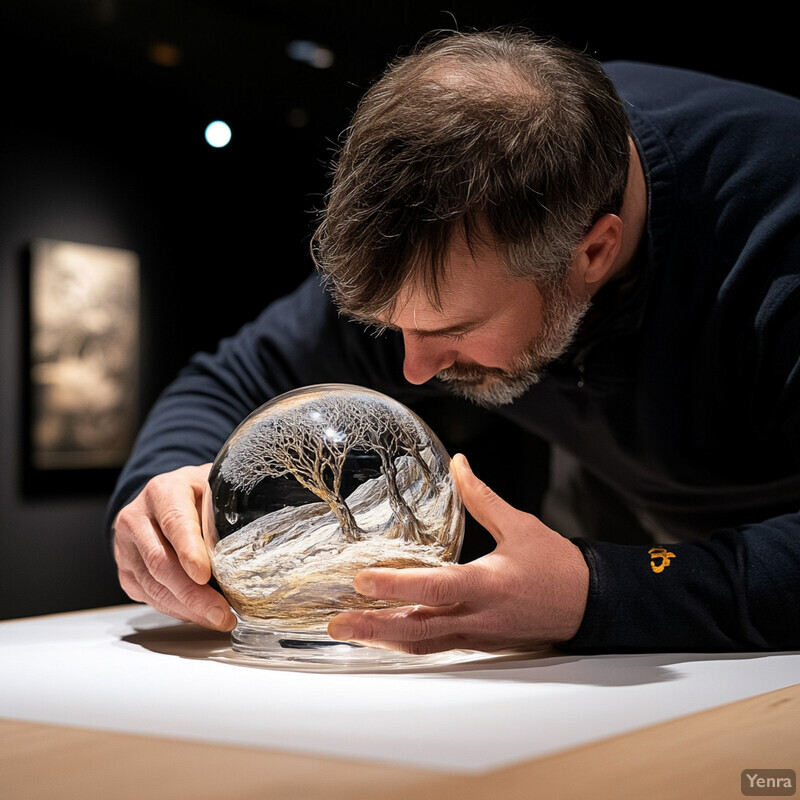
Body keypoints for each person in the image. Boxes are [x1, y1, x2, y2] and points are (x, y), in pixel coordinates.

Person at [109, 28, 800, 654]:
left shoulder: (776, 223)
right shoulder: (447, 248)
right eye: (392, 328)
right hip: (613, 498)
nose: (413, 370)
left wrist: (602, 591)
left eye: (453, 331)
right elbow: (226, 379)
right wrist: (164, 490)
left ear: (592, 253)